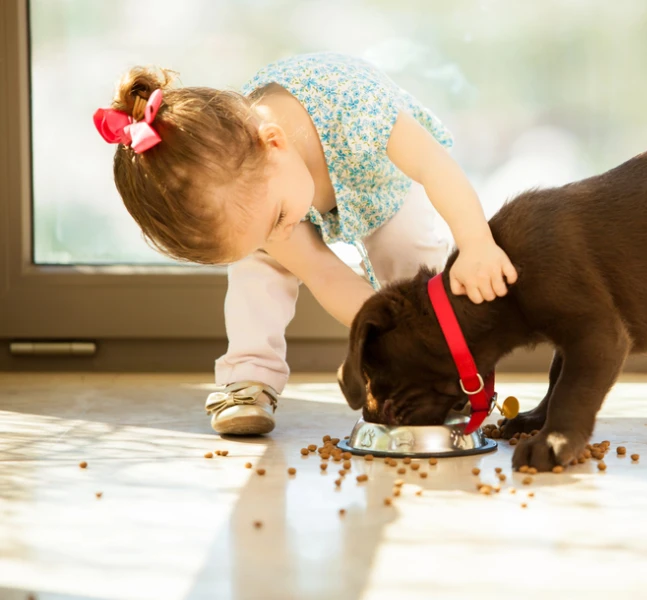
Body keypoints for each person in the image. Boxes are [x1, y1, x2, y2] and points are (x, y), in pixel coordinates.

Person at [94, 52, 517, 435]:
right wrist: (377, 337)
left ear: (274, 142)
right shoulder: (259, 196)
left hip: (380, 180)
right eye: (263, 234)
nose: (279, 237)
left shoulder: (357, 109)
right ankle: (248, 376)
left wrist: (476, 241)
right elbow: (321, 271)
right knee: (257, 270)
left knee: (410, 249)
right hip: (282, 190)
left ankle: (434, 369)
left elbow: (434, 165)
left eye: (276, 221)